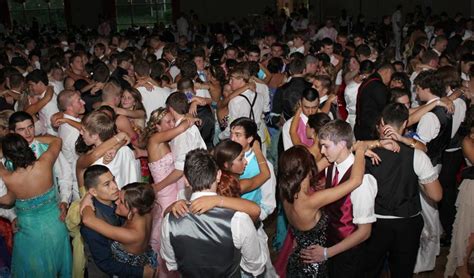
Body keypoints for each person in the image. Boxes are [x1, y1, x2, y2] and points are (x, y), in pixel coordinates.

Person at [364, 103, 443, 278]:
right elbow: (436, 195)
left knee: (370, 270)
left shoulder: (365, 153)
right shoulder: (417, 155)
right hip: (407, 223)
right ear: (406, 123)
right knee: (403, 272)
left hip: (374, 223)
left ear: (382, 122)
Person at [160, 149, 267, 277]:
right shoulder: (238, 220)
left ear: (186, 180)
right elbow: (255, 266)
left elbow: (172, 263)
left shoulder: (170, 221)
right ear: (218, 175)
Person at [300, 120, 380, 278]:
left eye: (326, 146)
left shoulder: (362, 181)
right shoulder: (331, 163)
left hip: (350, 254)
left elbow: (364, 232)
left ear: (342, 144)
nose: (322, 151)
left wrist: (326, 253)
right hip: (330, 245)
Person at [279, 141, 367, 277]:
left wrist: (348, 147)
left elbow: (324, 162)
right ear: (308, 169)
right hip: (314, 265)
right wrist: (360, 151)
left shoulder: (284, 191)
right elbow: (356, 180)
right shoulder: (311, 201)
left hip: (297, 259)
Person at [0, 133, 72, 277]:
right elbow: (57, 140)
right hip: (56, 224)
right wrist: (33, 138)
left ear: (8, 157)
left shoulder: (9, 178)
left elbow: (7, 201)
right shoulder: (45, 162)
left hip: (29, 231)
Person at [79, 165, 154, 278]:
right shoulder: (92, 222)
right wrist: (141, 272)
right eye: (107, 184)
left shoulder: (126, 201)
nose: (115, 187)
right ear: (93, 191)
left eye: (113, 179)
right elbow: (105, 263)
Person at [153, 92, 207, 197]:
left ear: (170, 108)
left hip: (192, 182)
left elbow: (180, 169)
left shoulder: (181, 133)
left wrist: (158, 186)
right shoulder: (187, 123)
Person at [354, 63, 393, 140]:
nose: (390, 81)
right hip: (370, 130)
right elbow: (385, 108)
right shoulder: (377, 85)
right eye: (391, 76)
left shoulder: (368, 81)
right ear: (387, 71)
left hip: (360, 125)